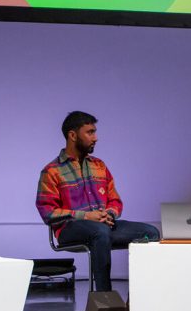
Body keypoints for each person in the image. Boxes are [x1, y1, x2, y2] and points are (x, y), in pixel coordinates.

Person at [35, 111, 159, 291]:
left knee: (151, 232)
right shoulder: (52, 171)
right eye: (90, 132)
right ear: (72, 135)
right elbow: (48, 212)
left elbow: (115, 200)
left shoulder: (99, 166)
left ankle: (139, 299)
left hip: (103, 226)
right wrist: (86, 216)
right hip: (69, 229)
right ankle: (104, 300)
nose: (96, 138)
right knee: (100, 232)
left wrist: (108, 214)